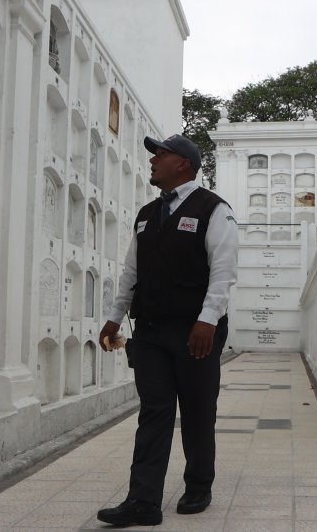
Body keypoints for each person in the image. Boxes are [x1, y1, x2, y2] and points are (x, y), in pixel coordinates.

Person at [96, 134, 238, 527]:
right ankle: (143, 501)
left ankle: (198, 485)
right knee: (154, 412)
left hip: (196, 332)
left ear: (185, 164)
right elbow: (131, 271)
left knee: (196, 411)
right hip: (152, 332)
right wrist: (114, 315)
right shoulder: (146, 214)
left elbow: (223, 271)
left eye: (162, 155)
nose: (153, 161)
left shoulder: (214, 210)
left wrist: (208, 320)